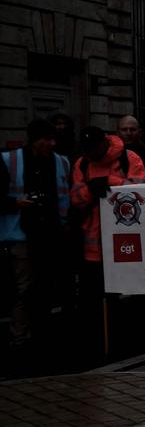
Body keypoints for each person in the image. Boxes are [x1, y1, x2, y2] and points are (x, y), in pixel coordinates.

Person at [71, 126, 145, 356]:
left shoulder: (128, 157)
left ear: (103, 142)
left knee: (125, 297)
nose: (92, 153)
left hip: (125, 241)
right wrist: (91, 191)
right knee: (93, 298)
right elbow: (75, 197)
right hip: (93, 245)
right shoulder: (82, 163)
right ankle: (96, 345)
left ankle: (127, 342)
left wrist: (111, 181)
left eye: (94, 148)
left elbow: (142, 192)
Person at [1, 119, 71, 348]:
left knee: (46, 284)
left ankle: (42, 332)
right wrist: (15, 203)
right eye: (46, 139)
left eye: (53, 139)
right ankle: (19, 335)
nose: (51, 143)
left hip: (51, 233)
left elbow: (64, 196)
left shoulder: (62, 162)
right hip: (20, 233)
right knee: (25, 286)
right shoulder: (8, 160)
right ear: (34, 140)